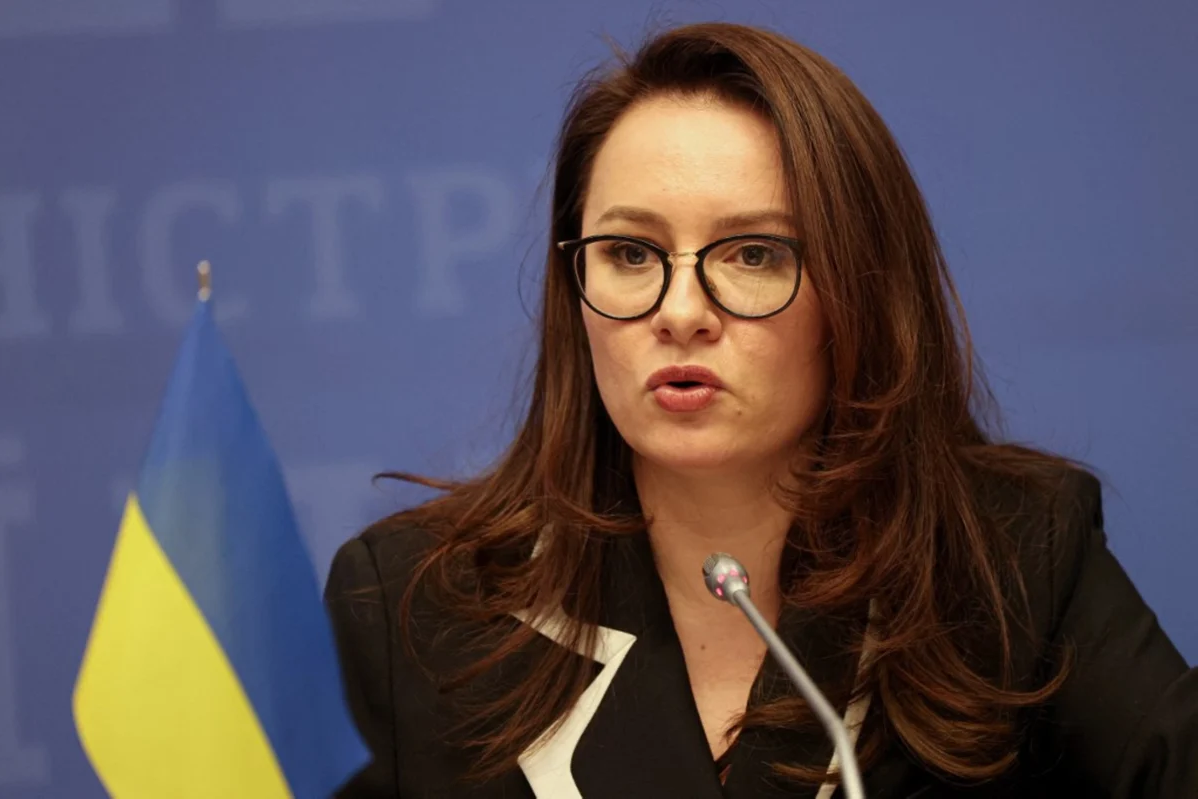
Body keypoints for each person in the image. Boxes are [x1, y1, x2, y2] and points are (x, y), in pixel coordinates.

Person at [323, 21, 1197, 799]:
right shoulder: (411, 606)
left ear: (859, 294)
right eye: (630, 252)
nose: (680, 312)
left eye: (752, 254)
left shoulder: (1010, 562)